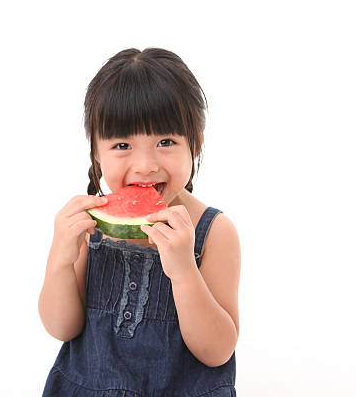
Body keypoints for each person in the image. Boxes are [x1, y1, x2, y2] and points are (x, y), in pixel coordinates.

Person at [38, 47, 241, 396]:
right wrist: (59, 261)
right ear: (96, 153)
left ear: (196, 144)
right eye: (122, 145)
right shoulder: (89, 228)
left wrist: (184, 272)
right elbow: (62, 327)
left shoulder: (214, 233)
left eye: (165, 141)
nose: (145, 165)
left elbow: (217, 350)